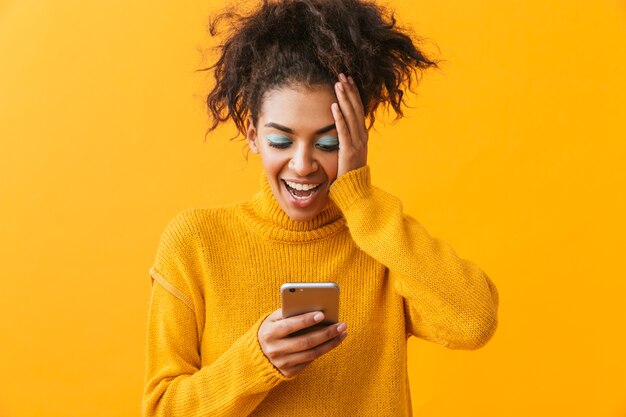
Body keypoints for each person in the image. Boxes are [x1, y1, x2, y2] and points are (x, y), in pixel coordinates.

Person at [142, 0, 499, 416]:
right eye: (281, 141)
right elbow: (161, 410)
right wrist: (257, 361)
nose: (303, 164)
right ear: (252, 133)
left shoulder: (381, 240)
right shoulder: (195, 243)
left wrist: (361, 199)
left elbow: (473, 322)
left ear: (355, 139)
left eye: (328, 143)